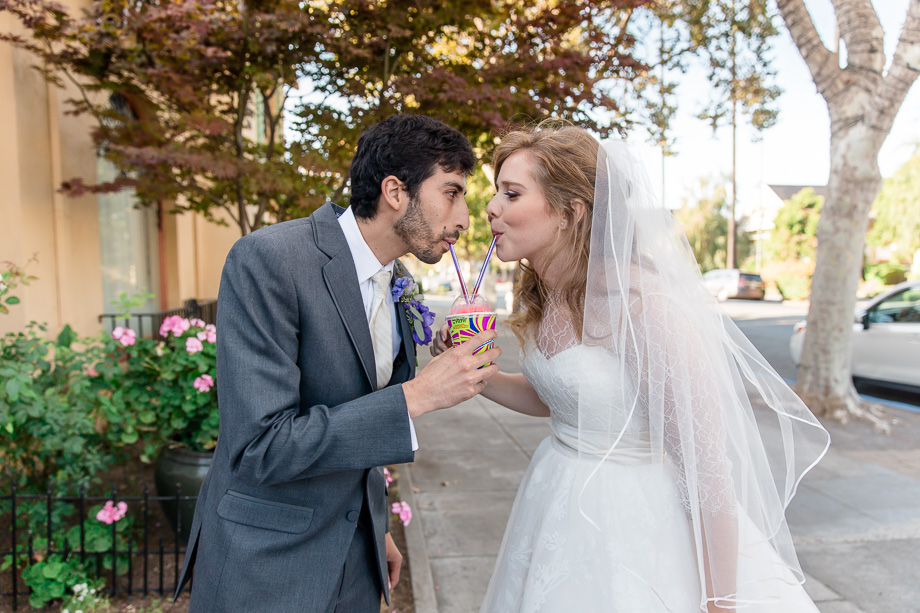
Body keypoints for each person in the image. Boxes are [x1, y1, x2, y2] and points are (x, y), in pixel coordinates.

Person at [432, 124, 830, 612]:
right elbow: (554, 398)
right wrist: (469, 369)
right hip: (554, 501)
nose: (491, 207)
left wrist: (720, 601)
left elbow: (707, 469)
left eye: (511, 193)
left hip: (634, 524)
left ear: (569, 212)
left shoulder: (642, 305)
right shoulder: (545, 294)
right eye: (497, 192)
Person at [175, 114, 502, 613]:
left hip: (355, 556)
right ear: (395, 191)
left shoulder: (398, 282)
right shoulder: (268, 259)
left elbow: (356, 418)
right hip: (267, 565)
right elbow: (261, 446)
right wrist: (416, 396)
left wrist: (376, 524)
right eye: (452, 193)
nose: (463, 219)